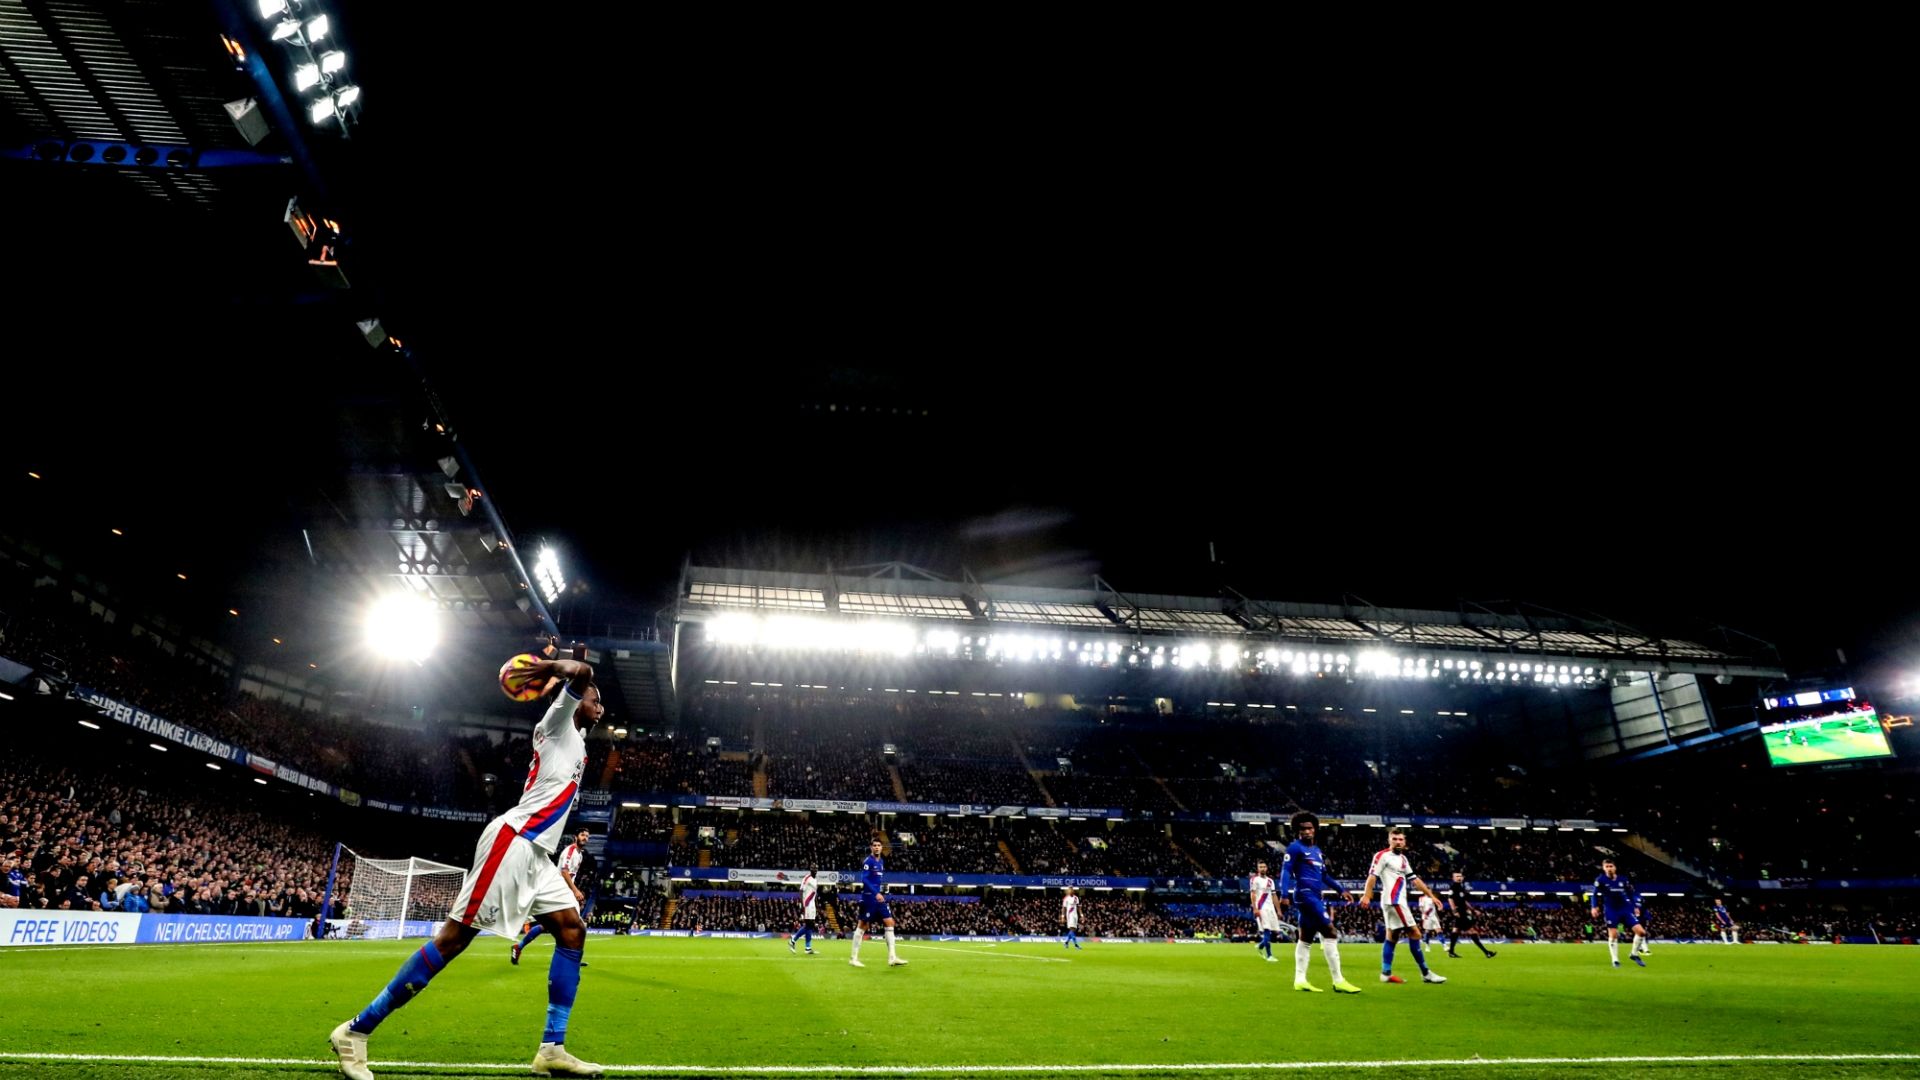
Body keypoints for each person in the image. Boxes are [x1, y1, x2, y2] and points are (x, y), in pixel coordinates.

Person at [329, 650, 606, 1079]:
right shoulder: (555, 726)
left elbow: (582, 669)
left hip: (538, 855)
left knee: (573, 930)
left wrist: (571, 658)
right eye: (594, 698)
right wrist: (555, 669)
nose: (600, 705)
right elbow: (582, 675)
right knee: (454, 940)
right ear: (572, 699)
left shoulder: (578, 742)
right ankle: (356, 1030)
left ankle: (552, 1047)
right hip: (512, 843)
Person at [1277, 812, 1361, 994]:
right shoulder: (1294, 848)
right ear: (1297, 831)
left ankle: (1300, 980)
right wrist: (1283, 894)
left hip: (1315, 895)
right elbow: (1285, 872)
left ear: (1315, 829)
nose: (1307, 831)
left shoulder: (1317, 851)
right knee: (1330, 931)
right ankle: (1338, 980)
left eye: (1310, 828)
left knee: (1305, 938)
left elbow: (1324, 876)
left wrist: (1341, 890)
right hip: (1305, 895)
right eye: (1303, 829)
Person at [1359, 827, 1446, 985]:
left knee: (1392, 937)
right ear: (1389, 840)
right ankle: (1426, 973)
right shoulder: (1382, 856)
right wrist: (1367, 894)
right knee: (1415, 934)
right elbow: (1372, 876)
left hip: (1397, 901)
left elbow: (1415, 879)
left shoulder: (1403, 860)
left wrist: (1431, 895)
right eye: (1395, 839)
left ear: (1405, 842)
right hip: (1394, 901)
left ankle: (1386, 973)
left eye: (1401, 839)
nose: (1398, 842)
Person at [514, 830, 593, 967]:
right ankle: (572, 959)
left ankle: (519, 947)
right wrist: (574, 891)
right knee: (575, 926)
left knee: (551, 926)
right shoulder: (570, 851)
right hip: (560, 892)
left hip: (565, 892)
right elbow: (564, 871)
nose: (585, 838)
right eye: (582, 835)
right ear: (576, 837)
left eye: (587, 836)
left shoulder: (579, 855)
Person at [850, 838, 905, 968]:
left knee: (889, 922)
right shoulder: (868, 862)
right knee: (863, 925)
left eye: (879, 845)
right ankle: (853, 958)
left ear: (881, 848)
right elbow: (864, 879)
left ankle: (892, 957)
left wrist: (878, 894)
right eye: (874, 845)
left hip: (878, 899)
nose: (876, 847)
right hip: (869, 897)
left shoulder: (881, 861)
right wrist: (876, 893)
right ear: (871, 847)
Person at [1589, 858, 1647, 969]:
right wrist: (1594, 907)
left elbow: (1630, 893)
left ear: (1615, 868)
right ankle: (1615, 960)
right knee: (1614, 934)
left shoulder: (1623, 879)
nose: (1609, 869)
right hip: (1611, 910)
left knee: (1641, 932)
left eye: (1611, 866)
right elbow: (1594, 895)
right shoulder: (1600, 880)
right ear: (1603, 868)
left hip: (1625, 909)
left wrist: (1634, 906)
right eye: (1607, 866)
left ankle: (1634, 954)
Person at [1438, 871, 1496, 959]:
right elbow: (1450, 899)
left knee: (1455, 931)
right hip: (1460, 913)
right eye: (1457, 876)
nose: (1459, 877)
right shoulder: (1453, 887)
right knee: (1472, 931)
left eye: (1460, 876)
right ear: (1453, 878)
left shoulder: (1461, 887)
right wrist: (1454, 911)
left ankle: (1451, 952)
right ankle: (1487, 952)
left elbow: (1464, 901)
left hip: (1463, 912)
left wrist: (1473, 910)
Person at [1249, 860, 1283, 963]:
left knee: (1274, 931)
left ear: (1267, 868)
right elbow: (1253, 894)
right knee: (1267, 930)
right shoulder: (1254, 880)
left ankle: (1260, 945)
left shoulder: (1270, 881)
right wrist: (1255, 908)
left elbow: (1274, 895)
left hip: (1271, 908)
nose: (1262, 868)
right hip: (1261, 907)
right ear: (1258, 869)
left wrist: (1278, 910)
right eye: (1260, 867)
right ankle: (1269, 955)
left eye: (1264, 867)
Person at [789, 868, 819, 955]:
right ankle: (793, 940)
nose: (815, 870)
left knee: (810, 925)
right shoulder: (807, 878)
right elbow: (801, 890)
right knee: (808, 925)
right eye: (813, 868)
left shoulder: (815, 880)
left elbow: (814, 893)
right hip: (807, 903)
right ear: (811, 870)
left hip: (812, 905)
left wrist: (817, 905)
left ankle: (808, 948)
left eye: (816, 868)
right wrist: (802, 904)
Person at [1061, 886, 1083, 950]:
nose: (1070, 891)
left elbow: (1079, 907)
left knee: (1072, 930)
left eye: (1071, 889)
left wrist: (1081, 915)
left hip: (1075, 915)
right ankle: (1076, 945)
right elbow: (1064, 908)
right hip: (1069, 915)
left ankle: (1066, 942)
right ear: (1068, 891)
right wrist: (1063, 917)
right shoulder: (1066, 898)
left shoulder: (1076, 898)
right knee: (1072, 929)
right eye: (1069, 890)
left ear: (1073, 890)